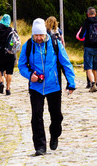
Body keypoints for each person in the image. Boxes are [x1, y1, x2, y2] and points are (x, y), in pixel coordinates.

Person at [18, 18, 76, 156]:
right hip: (35, 87)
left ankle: (55, 134)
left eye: (41, 35)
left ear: (45, 33)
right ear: (33, 34)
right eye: (36, 35)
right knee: (36, 117)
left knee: (56, 116)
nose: (38, 38)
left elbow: (66, 63)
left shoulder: (55, 44)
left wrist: (71, 82)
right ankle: (40, 147)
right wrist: (30, 75)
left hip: (53, 86)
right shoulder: (28, 46)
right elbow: (21, 66)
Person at [75, 7, 97, 91]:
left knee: (88, 67)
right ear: (95, 14)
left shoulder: (86, 22)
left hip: (88, 47)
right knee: (95, 66)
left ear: (87, 14)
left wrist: (85, 38)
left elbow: (80, 36)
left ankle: (93, 84)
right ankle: (95, 80)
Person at [0, 15, 20, 95]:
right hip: (10, 53)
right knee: (9, 72)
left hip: (0, 53)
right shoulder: (12, 30)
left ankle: (1, 81)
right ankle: (8, 89)